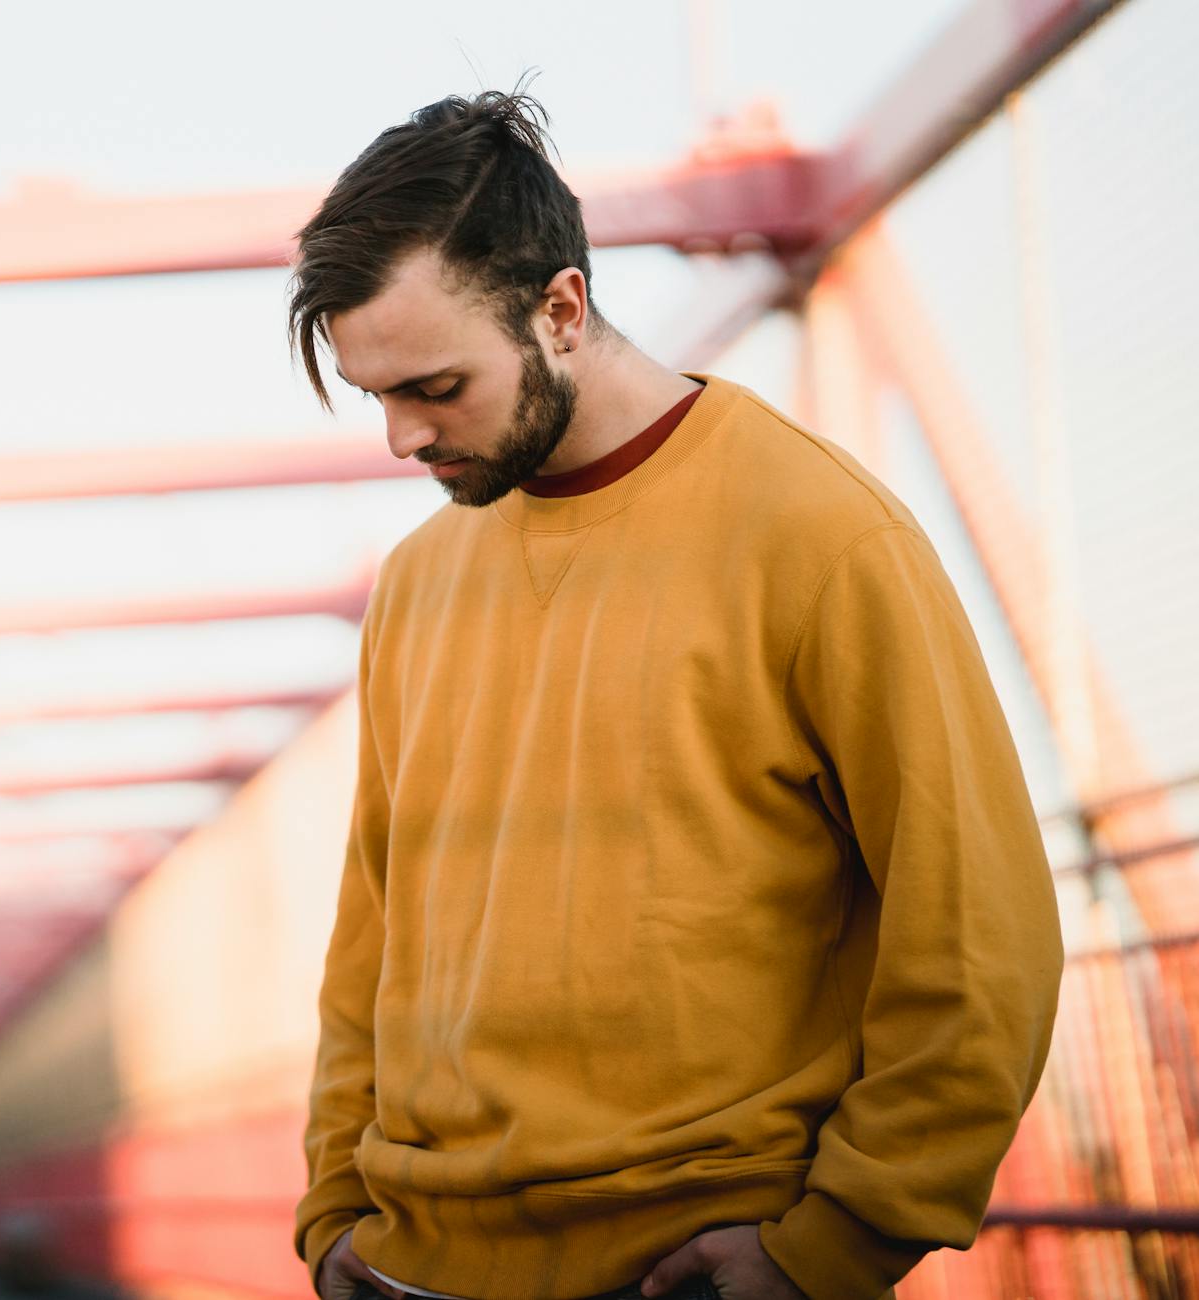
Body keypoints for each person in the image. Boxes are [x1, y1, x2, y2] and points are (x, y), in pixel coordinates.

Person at [287, 91, 1064, 1300]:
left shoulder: (818, 536)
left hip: (691, 1269)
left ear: (560, 308)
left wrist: (838, 1244)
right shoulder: (417, 582)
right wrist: (334, 1201)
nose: (400, 438)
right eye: (375, 393)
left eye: (434, 387)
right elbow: (374, 934)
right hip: (411, 1267)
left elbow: (980, 930)